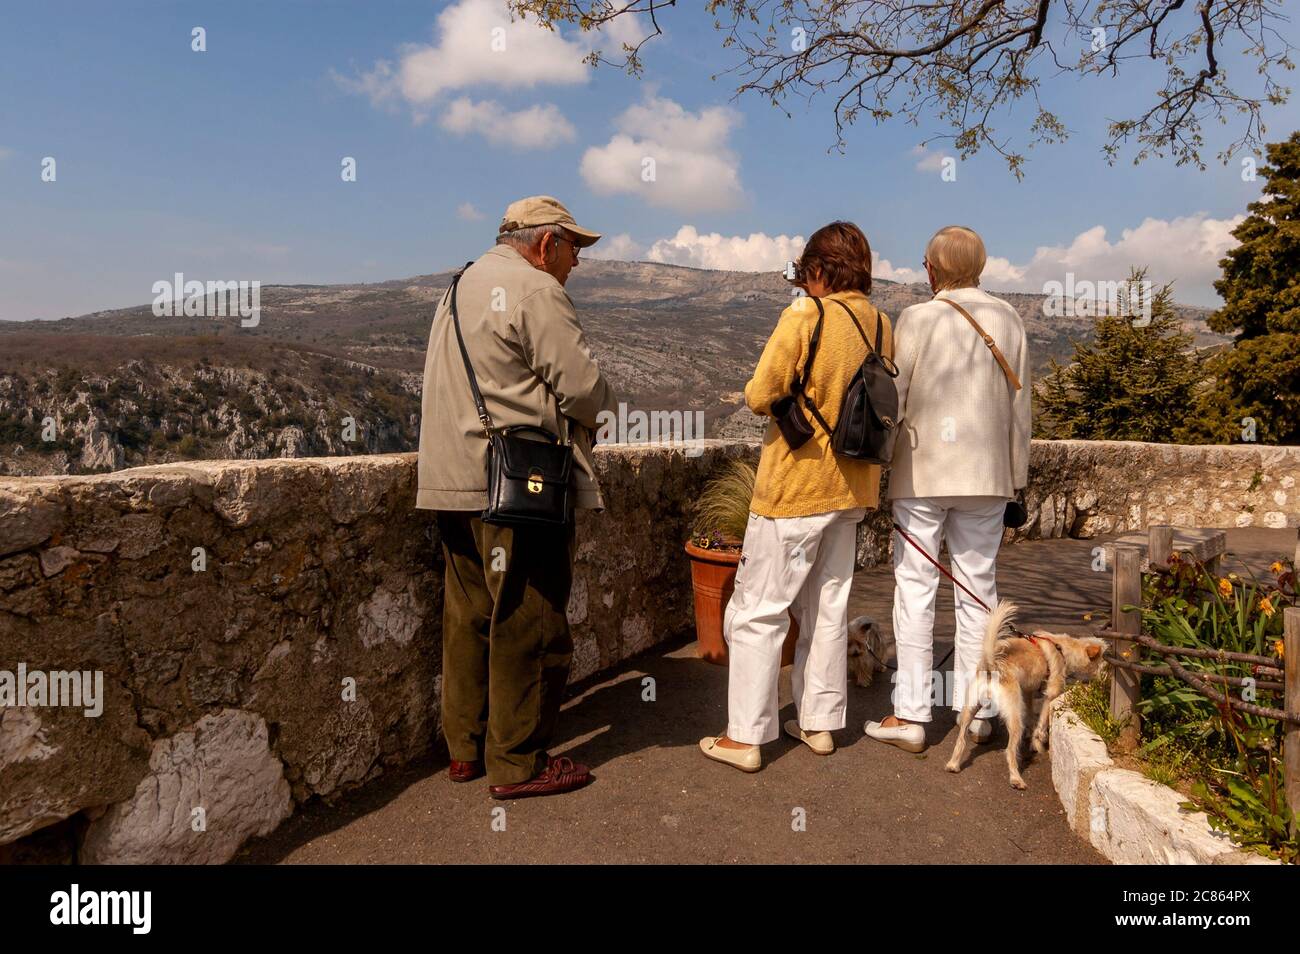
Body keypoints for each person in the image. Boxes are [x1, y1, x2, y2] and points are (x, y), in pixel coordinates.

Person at [417, 195, 617, 798]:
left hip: (453, 482)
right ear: (544, 243)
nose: (576, 262)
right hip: (517, 485)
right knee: (529, 619)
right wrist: (602, 408)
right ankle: (518, 762)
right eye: (573, 248)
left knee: (468, 616)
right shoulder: (536, 291)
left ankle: (465, 750)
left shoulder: (458, 286)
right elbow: (583, 389)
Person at [700, 221, 892, 772]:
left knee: (759, 611)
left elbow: (760, 392)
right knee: (827, 611)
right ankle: (820, 724)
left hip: (795, 488)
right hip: (852, 488)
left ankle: (746, 736)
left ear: (818, 269)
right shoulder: (881, 324)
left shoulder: (807, 314)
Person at [864, 225, 1031, 753]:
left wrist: (884, 466)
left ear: (932, 269)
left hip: (924, 473)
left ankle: (910, 715)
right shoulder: (1010, 319)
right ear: (980, 267)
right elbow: (1021, 411)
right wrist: (1017, 479)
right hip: (987, 477)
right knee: (977, 592)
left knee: (914, 588)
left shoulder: (917, 318)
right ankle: (975, 714)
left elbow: (896, 399)